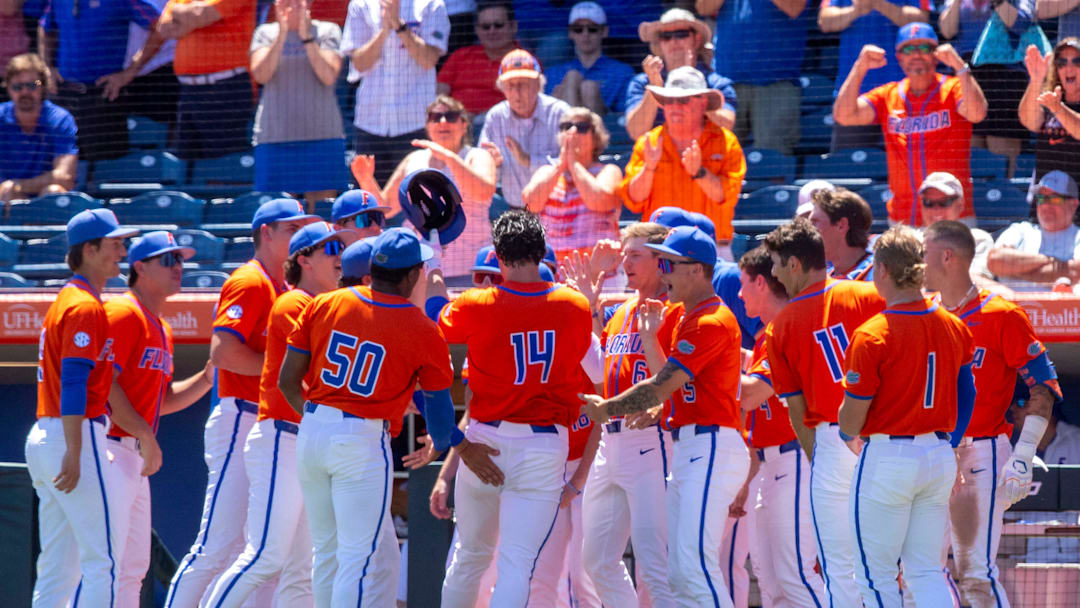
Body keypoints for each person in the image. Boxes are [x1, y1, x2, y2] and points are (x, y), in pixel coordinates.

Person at [278, 227, 463, 607]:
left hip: (312, 430)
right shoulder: (422, 328)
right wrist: (440, 443)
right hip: (360, 441)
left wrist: (322, 418)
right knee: (356, 560)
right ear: (412, 276)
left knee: (326, 552)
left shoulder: (328, 302)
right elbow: (442, 421)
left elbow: (287, 382)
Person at [580, 225, 748, 607]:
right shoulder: (682, 316)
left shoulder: (710, 319)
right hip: (690, 443)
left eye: (670, 264)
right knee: (680, 569)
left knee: (692, 568)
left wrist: (606, 408)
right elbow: (661, 381)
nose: (665, 271)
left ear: (697, 270)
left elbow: (659, 387)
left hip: (709, 443)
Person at [166, 198, 318, 607]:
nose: (298, 236)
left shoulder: (283, 286)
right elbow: (223, 353)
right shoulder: (251, 280)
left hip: (264, 419)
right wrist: (277, 373)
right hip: (242, 416)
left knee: (264, 550)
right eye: (290, 229)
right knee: (219, 545)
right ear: (265, 232)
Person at [439, 209, 593, 607]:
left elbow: (437, 323)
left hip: (484, 437)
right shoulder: (574, 305)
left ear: (499, 256)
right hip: (543, 446)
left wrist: (436, 279)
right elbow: (592, 365)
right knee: (517, 564)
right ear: (541, 253)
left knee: (469, 556)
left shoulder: (475, 303)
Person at [204, 221, 351, 607]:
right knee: (264, 555)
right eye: (329, 250)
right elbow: (309, 379)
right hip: (281, 438)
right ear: (304, 260)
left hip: (304, 445)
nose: (339, 258)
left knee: (302, 567)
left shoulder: (325, 305)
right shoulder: (293, 303)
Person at [923, 220, 1061, 607]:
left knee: (975, 573)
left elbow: (1043, 387)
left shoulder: (1001, 313)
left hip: (980, 455)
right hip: (933, 455)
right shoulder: (925, 314)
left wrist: (1023, 452)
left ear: (947, 256)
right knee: (922, 569)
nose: (920, 261)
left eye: (926, 251)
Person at [838, 225, 975, 607]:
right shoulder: (954, 323)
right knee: (926, 571)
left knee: (874, 576)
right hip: (937, 455)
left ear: (882, 270)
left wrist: (845, 427)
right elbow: (969, 394)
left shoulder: (873, 333)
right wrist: (949, 442)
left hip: (888, 458)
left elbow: (850, 422)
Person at [762, 217, 885, 607]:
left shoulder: (779, 326)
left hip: (833, 440)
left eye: (778, 264)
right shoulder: (869, 295)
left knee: (839, 568)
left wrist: (822, 460)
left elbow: (797, 410)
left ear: (795, 264)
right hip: (886, 436)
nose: (775, 272)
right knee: (890, 564)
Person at [556, 222, 679, 607]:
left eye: (636, 254)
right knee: (596, 561)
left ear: (663, 262)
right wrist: (589, 308)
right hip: (610, 442)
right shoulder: (621, 310)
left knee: (654, 564)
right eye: (625, 253)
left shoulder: (675, 311)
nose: (626, 261)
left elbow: (675, 382)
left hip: (651, 439)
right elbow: (599, 372)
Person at [24, 208, 136, 606]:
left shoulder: (70, 299)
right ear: (89, 250)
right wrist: (74, 450)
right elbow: (74, 381)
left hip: (47, 433)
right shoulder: (85, 305)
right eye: (115, 243)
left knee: (59, 566)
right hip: (75, 433)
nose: (122, 251)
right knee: (102, 561)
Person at [105, 231, 214, 607]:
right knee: (105, 562)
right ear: (139, 268)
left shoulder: (162, 327)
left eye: (180, 260)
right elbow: (105, 384)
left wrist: (205, 378)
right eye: (168, 261)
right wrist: (144, 435)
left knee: (134, 566)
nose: (178, 268)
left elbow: (160, 400)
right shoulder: (123, 313)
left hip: (133, 452)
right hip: (107, 446)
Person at [736, 245, 826, 608]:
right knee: (771, 583)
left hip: (795, 460)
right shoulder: (765, 336)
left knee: (797, 576)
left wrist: (705, 361)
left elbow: (753, 393)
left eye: (744, 284)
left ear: (761, 282)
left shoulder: (786, 329)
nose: (739, 294)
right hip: (770, 467)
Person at [834, 23, 988, 226]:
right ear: (899, 57)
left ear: (935, 54)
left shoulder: (954, 87)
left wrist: (960, 67)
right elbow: (844, 115)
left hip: (953, 216)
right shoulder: (888, 95)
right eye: (908, 49)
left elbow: (977, 113)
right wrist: (860, 66)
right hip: (903, 218)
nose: (916, 54)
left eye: (924, 48)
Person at [355, 95, 497, 284]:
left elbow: (484, 192)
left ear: (464, 125)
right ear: (428, 126)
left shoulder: (477, 156)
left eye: (451, 116)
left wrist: (448, 156)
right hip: (421, 270)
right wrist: (366, 179)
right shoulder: (414, 159)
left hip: (468, 270)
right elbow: (388, 207)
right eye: (435, 117)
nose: (443, 122)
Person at [619, 66, 747, 262]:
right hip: (657, 249)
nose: (675, 106)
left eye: (683, 100)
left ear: (703, 102)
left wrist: (700, 173)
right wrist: (649, 168)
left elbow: (727, 197)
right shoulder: (649, 141)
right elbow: (633, 200)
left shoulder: (726, 142)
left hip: (710, 250)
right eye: (669, 100)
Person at [37, 0, 165, 161]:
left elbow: (161, 26)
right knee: (54, 164)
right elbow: (44, 26)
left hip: (103, 96)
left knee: (107, 171)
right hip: (62, 95)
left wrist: (130, 72)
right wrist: (46, 66)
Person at [250, 0, 347, 211]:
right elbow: (261, 75)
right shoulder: (265, 33)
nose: (292, 7)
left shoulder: (327, 30)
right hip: (275, 137)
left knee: (322, 215)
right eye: (286, 2)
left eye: (297, 2)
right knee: (278, 215)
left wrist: (306, 36)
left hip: (322, 137)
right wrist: (282, 35)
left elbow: (328, 75)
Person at [341, 0, 450, 184]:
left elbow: (429, 59)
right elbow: (359, 63)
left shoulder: (431, 4)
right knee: (370, 202)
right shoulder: (360, 5)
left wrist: (398, 26)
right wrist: (384, 31)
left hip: (415, 124)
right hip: (371, 122)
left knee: (417, 198)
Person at [698, 0, 808, 155]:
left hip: (776, 80)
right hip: (727, 81)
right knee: (717, 153)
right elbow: (703, 7)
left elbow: (794, 7)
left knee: (774, 158)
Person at [819, 0, 931, 151]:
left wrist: (877, 3)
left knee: (908, 167)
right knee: (848, 169)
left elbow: (922, 22)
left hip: (903, 98)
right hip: (855, 97)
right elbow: (825, 21)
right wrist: (856, 10)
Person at [157, 0, 257, 160]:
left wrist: (176, 10)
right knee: (182, 162)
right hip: (188, 91)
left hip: (225, 89)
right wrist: (192, 16)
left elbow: (203, 15)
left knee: (224, 165)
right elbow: (164, 28)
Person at [940, 0, 1035, 165]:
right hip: (969, 74)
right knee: (972, 146)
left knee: (1000, 146)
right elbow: (947, 31)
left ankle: (1007, 190)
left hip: (1005, 76)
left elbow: (1021, 25)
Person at [523, 106, 622, 261]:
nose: (573, 132)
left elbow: (600, 202)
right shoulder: (547, 171)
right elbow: (531, 204)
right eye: (566, 127)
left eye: (582, 128)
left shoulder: (609, 171)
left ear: (595, 138)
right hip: (554, 272)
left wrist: (574, 164)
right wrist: (561, 166)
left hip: (599, 271)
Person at [625, 8, 736, 140]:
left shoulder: (717, 83)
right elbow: (636, 133)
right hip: (657, 157)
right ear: (660, 43)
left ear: (697, 39)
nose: (673, 41)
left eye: (681, 34)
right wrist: (655, 87)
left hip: (706, 155)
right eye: (666, 36)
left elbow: (726, 126)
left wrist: (692, 82)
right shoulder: (643, 82)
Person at [478, 48, 569, 210]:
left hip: (559, 209)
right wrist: (494, 164)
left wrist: (529, 160)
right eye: (510, 85)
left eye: (523, 84)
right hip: (515, 209)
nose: (516, 92)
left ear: (538, 85)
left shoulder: (560, 113)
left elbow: (573, 164)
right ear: (502, 89)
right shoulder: (495, 117)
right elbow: (483, 173)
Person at [0, 53, 76, 210]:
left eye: (32, 85)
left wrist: (18, 185)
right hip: (4, 197)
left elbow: (65, 177)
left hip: (44, 202)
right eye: (17, 87)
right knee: (9, 196)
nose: (25, 92)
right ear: (8, 88)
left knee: (54, 192)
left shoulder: (60, 119)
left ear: (43, 86)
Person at [987, 169, 1080, 291]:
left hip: (1062, 309)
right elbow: (995, 261)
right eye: (1041, 198)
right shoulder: (1021, 230)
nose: (1045, 205)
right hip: (1015, 308)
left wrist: (1014, 269)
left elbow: (1075, 272)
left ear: (1073, 205)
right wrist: (1051, 261)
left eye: (1054, 199)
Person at [545, 2, 634, 116]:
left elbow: (624, 117)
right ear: (570, 33)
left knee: (589, 88)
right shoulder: (553, 73)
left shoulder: (623, 73)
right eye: (578, 29)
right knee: (572, 78)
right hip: (560, 130)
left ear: (604, 31)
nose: (585, 34)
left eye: (592, 29)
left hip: (606, 130)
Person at [436, 0, 520, 116]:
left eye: (498, 25)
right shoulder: (460, 56)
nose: (492, 31)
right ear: (477, 30)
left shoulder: (524, 62)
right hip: (458, 124)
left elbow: (523, 104)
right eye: (486, 27)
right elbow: (440, 95)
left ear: (513, 26)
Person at [917, 171, 997, 290]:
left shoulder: (978, 239)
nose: (936, 209)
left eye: (944, 202)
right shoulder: (909, 241)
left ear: (960, 205)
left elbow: (974, 282)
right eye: (928, 203)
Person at [1019, 39, 1080, 186]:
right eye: (1062, 63)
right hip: (1046, 201)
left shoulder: (1054, 105)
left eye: (1077, 61)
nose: (1069, 68)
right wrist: (1036, 80)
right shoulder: (1051, 100)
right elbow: (1029, 122)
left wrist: (1058, 109)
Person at [807, 187, 876, 281]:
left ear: (841, 225)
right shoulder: (821, 278)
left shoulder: (880, 275)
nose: (807, 229)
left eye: (815, 222)